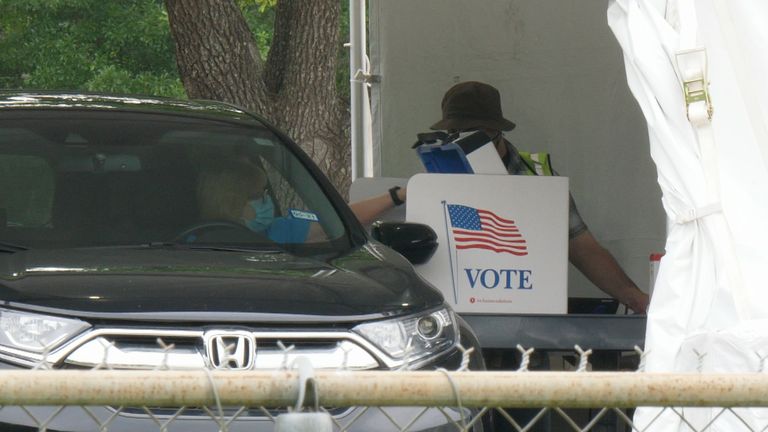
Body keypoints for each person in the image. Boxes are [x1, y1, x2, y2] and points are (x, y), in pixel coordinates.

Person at [353, 81, 649, 314]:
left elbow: (582, 247)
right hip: (454, 314)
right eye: (455, 135)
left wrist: (633, 297)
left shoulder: (538, 179)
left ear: (498, 133)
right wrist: (404, 194)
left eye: (477, 137)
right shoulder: (436, 177)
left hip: (525, 317)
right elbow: (347, 222)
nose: (464, 145)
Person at [195, 160, 320, 243]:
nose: (266, 200)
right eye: (258, 196)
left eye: (265, 193)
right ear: (232, 204)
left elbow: (330, 230)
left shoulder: (278, 229)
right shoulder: (196, 244)